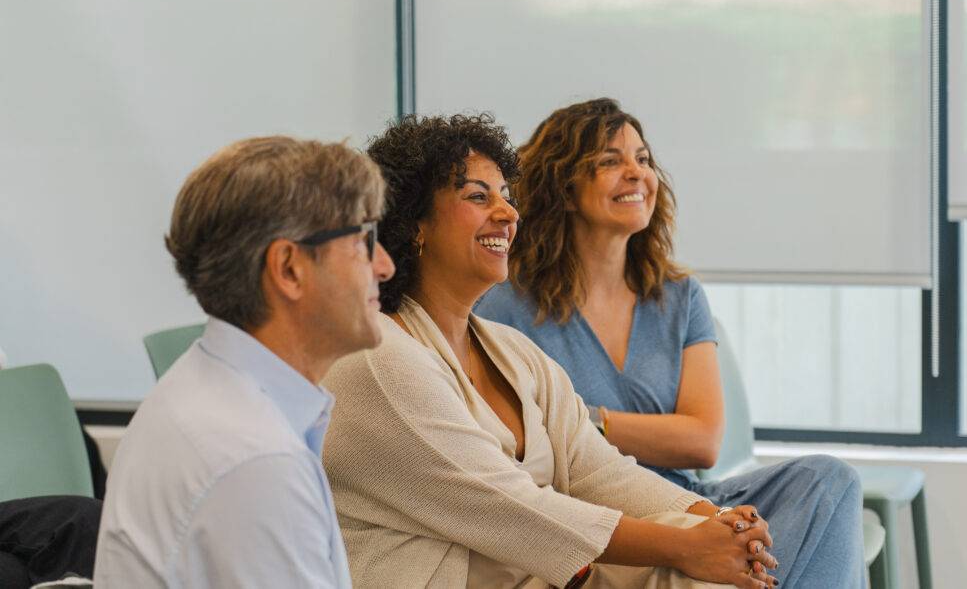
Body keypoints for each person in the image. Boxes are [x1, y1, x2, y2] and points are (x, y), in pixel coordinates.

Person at [321, 114, 778, 589]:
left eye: (507, 197)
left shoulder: (514, 352)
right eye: (479, 196)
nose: (507, 213)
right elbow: (508, 505)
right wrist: (690, 545)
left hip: (537, 576)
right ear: (415, 223)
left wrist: (719, 522)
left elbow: (597, 469)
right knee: (693, 567)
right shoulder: (376, 357)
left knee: (724, 563)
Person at [475, 98, 866, 588]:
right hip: (597, 517)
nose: (636, 173)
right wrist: (600, 436)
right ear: (566, 190)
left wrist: (585, 421)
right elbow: (520, 452)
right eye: (610, 162)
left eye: (643, 159)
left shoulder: (680, 296)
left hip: (688, 495)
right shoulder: (505, 305)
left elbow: (702, 441)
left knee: (830, 481)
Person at [93, 136, 395, 588]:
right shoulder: (255, 462)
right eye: (363, 242)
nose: (385, 266)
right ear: (289, 268)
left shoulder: (205, 389)